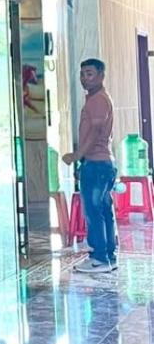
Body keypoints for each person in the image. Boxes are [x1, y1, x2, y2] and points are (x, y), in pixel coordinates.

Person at [63, 57, 117, 274]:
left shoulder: (98, 101)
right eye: (82, 74)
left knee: (94, 212)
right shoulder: (98, 98)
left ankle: (99, 257)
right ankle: (108, 256)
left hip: (97, 164)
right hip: (101, 163)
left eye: (90, 74)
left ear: (101, 76)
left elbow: (95, 132)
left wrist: (78, 155)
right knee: (103, 210)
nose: (84, 79)